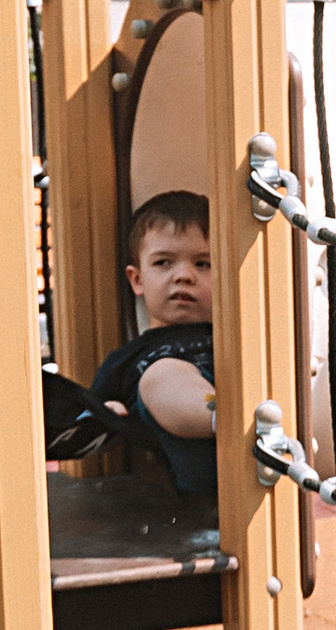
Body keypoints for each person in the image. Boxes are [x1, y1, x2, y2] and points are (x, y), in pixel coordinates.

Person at [44, 191, 219, 498]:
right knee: (160, 376)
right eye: (163, 263)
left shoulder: (233, 337)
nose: (184, 276)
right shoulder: (130, 358)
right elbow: (92, 416)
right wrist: (103, 414)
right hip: (205, 476)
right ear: (137, 280)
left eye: (203, 264)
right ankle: (231, 417)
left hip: (251, 456)